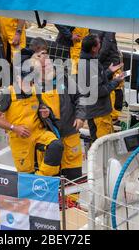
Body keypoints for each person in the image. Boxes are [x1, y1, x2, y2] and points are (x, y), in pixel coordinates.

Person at [0, 69, 64, 176]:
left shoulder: (36, 91)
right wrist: (14, 127)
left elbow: (43, 108)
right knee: (26, 175)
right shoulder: (8, 93)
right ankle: (33, 182)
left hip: (38, 133)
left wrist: (46, 112)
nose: (28, 85)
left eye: (30, 81)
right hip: (19, 138)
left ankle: (41, 178)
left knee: (56, 146)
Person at [31, 51, 85, 181]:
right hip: (49, 142)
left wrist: (80, 116)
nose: (48, 67)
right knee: (50, 180)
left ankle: (73, 202)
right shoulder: (31, 88)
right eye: (43, 67)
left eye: (48, 63)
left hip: (70, 137)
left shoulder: (64, 79)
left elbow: (80, 97)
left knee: (74, 179)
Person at [78, 34, 124, 142]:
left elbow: (94, 82)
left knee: (97, 144)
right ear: (94, 48)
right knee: (103, 146)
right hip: (99, 114)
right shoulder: (90, 65)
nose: (101, 45)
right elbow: (99, 91)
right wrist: (116, 82)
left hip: (94, 112)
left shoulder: (87, 61)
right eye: (99, 43)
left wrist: (108, 71)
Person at [90, 29, 124, 125]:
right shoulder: (109, 28)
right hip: (108, 64)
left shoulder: (95, 27)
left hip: (106, 64)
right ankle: (113, 116)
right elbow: (105, 48)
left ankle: (113, 116)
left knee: (114, 91)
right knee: (114, 91)